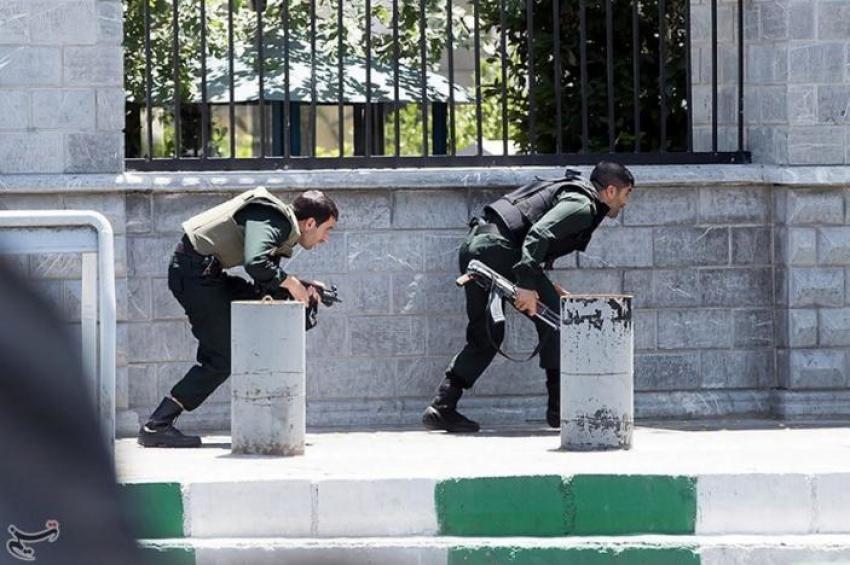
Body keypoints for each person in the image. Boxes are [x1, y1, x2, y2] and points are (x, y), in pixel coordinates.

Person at [421, 162, 634, 433]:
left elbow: (527, 235)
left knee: (487, 333)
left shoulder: (574, 195)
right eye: (627, 194)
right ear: (611, 191)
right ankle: (561, 411)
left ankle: (442, 405)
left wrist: (544, 285)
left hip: (477, 246)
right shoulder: (583, 205)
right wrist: (526, 283)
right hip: (498, 250)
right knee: (557, 319)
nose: (626, 202)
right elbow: (539, 234)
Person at [138, 188, 338, 448]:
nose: (326, 239)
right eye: (328, 229)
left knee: (264, 299)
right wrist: (292, 284)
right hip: (194, 276)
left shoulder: (281, 227)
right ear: (310, 223)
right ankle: (157, 425)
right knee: (222, 358)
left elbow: (265, 282)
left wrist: (306, 289)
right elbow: (256, 263)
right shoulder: (274, 218)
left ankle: (159, 423)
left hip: (206, 275)